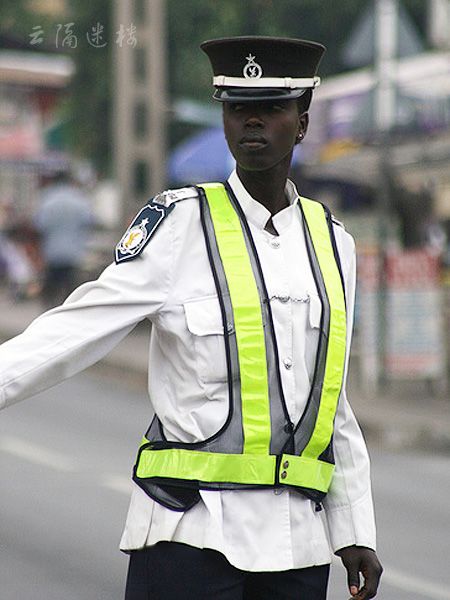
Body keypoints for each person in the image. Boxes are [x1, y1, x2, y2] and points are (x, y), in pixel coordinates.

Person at [0, 36, 383, 600]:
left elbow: (330, 401)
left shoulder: (333, 243)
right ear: (224, 120)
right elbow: (72, 331)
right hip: (190, 537)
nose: (252, 122)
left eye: (271, 108)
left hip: (298, 548)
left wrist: (354, 528)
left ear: (301, 123)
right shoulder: (179, 225)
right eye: (236, 108)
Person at [35, 170, 95, 308]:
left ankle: (49, 315)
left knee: (51, 290)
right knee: (71, 291)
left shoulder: (47, 199)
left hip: (52, 252)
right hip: (73, 253)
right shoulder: (79, 199)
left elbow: (40, 225)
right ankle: (69, 314)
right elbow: (88, 222)